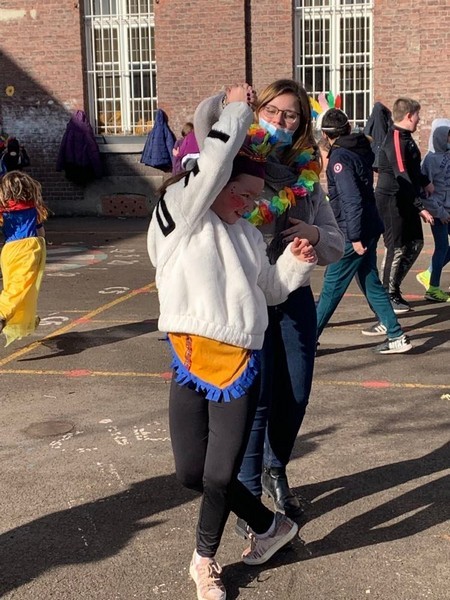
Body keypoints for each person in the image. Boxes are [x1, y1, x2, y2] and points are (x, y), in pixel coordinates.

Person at [148, 84, 318, 600]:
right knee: (190, 474)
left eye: (254, 197)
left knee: (220, 477)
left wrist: (295, 264)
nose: (248, 205)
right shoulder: (182, 215)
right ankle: (270, 525)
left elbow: (270, 290)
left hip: (240, 365)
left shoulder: (245, 234)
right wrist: (239, 111)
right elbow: (212, 162)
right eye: (240, 194)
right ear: (216, 183)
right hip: (189, 360)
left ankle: (203, 561)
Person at [194, 79, 344, 522]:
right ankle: (249, 493)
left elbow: (336, 241)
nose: (280, 120)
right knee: (255, 399)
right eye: (272, 111)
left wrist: (314, 234)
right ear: (257, 112)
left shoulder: (306, 179)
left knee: (295, 393)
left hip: (293, 296)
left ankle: (277, 469)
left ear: (302, 123)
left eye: (291, 114)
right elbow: (206, 124)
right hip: (244, 295)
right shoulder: (235, 160)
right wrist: (229, 102)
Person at [315, 109, 412, 353]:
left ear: (326, 135)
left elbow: (351, 199)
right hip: (368, 226)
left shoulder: (340, 158)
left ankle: (306, 341)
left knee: (331, 288)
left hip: (353, 232)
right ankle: (396, 334)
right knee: (370, 281)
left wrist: (354, 237)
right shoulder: (359, 148)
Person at [375, 97, 434, 314]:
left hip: (406, 199)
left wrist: (425, 182)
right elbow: (401, 174)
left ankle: (394, 287)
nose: (419, 119)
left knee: (416, 243)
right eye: (417, 115)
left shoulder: (406, 138)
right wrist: (421, 207)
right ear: (409, 116)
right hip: (392, 201)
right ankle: (386, 295)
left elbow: (413, 169)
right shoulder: (395, 139)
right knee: (396, 247)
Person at [0, 170, 48, 346]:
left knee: (14, 286)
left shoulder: (3, 209)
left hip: (9, 250)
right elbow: (41, 232)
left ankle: (23, 321)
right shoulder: (33, 207)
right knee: (23, 288)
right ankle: (3, 314)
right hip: (28, 249)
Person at [416, 119, 450, 302]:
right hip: (439, 213)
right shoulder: (429, 160)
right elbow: (425, 193)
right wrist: (439, 212)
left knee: (445, 249)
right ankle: (433, 288)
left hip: (449, 209)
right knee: (442, 247)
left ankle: (429, 273)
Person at [363, 101, 393, 171]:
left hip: (374, 147)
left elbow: (366, 131)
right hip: (382, 149)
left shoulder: (373, 118)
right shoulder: (386, 118)